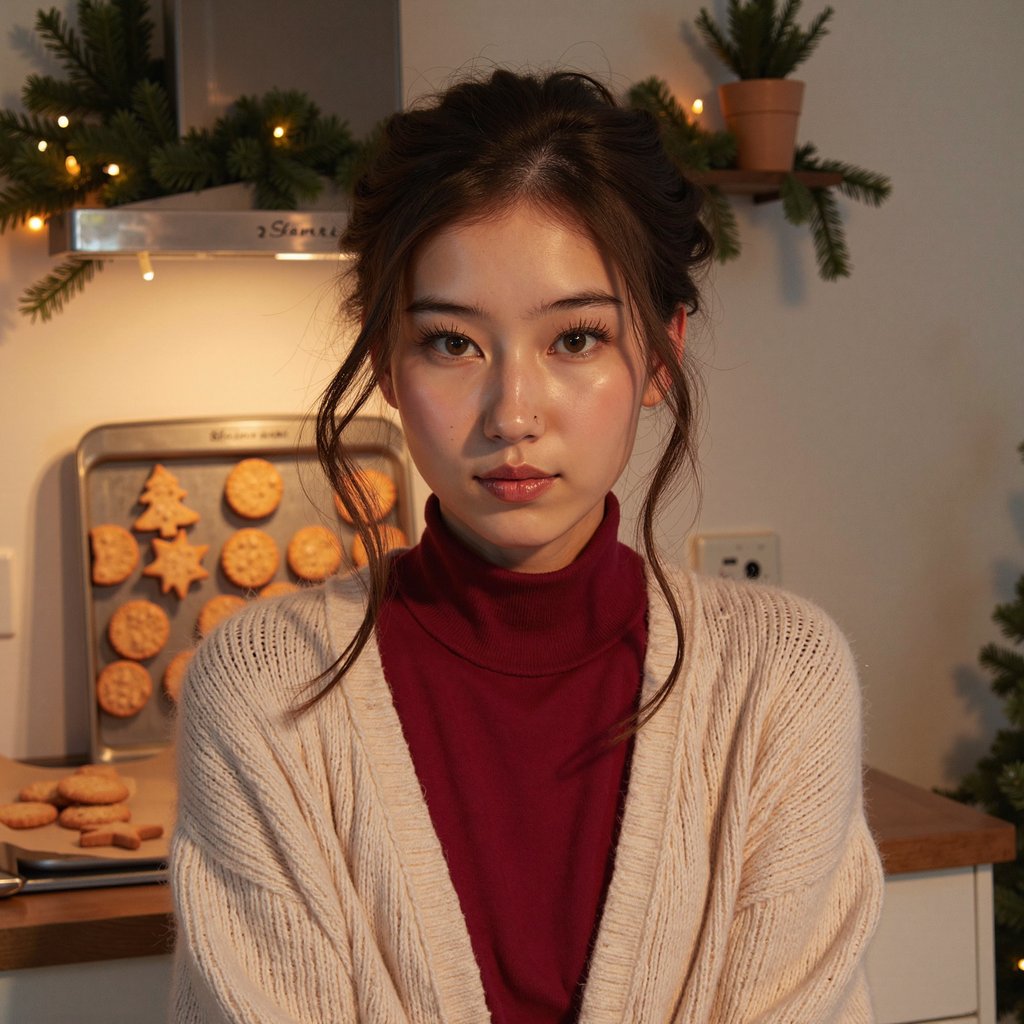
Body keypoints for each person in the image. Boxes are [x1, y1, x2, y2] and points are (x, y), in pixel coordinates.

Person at [170, 69, 883, 1023]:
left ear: (661, 353)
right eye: (452, 343)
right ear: (386, 363)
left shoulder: (782, 681)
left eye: (575, 339)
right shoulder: (265, 691)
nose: (512, 413)